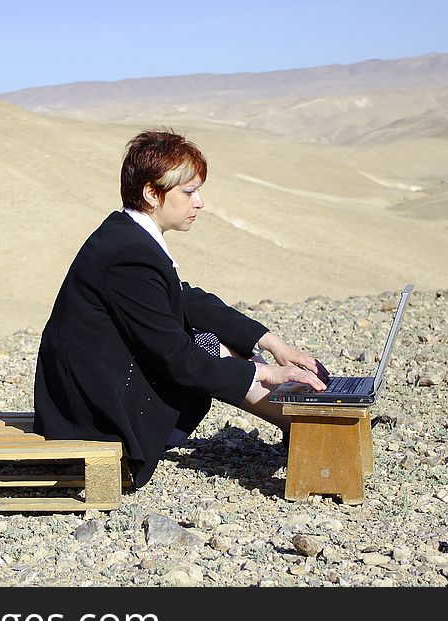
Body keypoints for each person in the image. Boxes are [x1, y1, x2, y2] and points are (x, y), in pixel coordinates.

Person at [34, 130, 329, 487]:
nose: (199, 202)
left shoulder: (127, 235)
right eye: (189, 192)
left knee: (206, 337)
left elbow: (184, 298)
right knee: (201, 346)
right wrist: (265, 374)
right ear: (151, 194)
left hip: (91, 388)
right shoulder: (131, 255)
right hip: (93, 412)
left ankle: (298, 421)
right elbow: (175, 357)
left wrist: (272, 343)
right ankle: (305, 426)